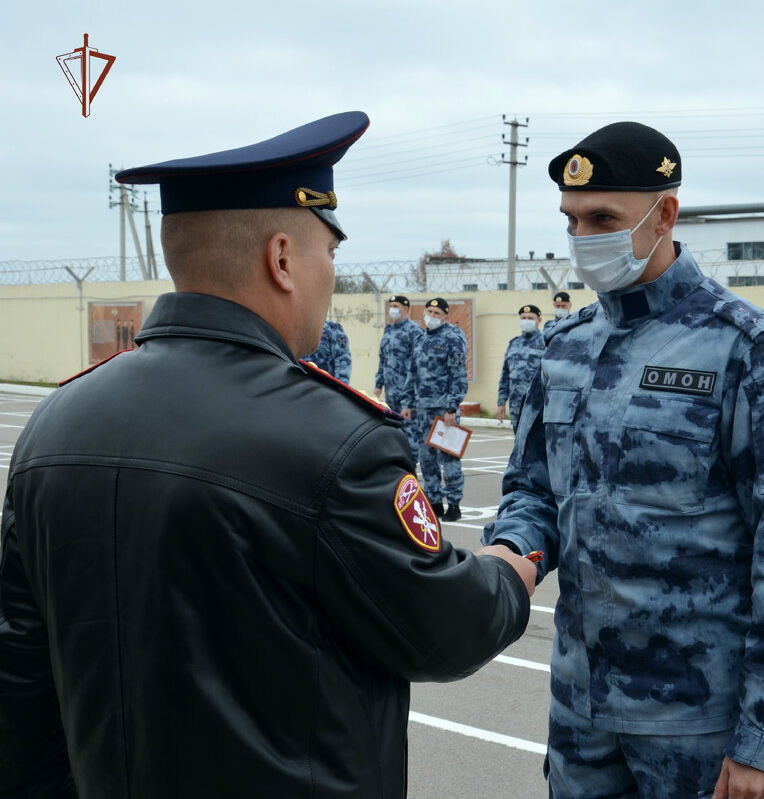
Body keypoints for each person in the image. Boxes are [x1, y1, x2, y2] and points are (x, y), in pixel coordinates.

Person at [0, 111, 535, 799]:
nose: (330, 278)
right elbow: (446, 628)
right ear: (282, 259)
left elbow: (20, 682)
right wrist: (507, 574)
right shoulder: (334, 441)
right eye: (330, 257)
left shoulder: (54, 426)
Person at [482, 121, 764, 799]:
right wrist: (514, 555)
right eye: (572, 220)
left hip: (694, 719)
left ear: (663, 213)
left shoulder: (745, 347)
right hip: (581, 708)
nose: (584, 237)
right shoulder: (563, 348)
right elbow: (531, 489)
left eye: (603, 217)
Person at [400, 298, 468, 522]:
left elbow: (458, 375)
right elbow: (412, 373)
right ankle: (434, 502)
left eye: (437, 312)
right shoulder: (420, 338)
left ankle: (454, 504)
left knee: (448, 458)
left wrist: (452, 406)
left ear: (445, 316)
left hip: (443, 409)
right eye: (429, 311)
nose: (431, 315)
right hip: (421, 408)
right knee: (426, 457)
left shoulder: (453, 338)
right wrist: (407, 402)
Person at [374, 294, 424, 454]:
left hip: (407, 393)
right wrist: (378, 384)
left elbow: (416, 364)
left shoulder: (415, 331)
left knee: (409, 433)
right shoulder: (388, 330)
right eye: (391, 306)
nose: (392, 309)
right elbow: (383, 359)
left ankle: (412, 470)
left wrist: (410, 392)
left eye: (396, 306)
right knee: (393, 431)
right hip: (391, 392)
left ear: (406, 309)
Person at [496, 304, 546, 431]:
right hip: (516, 407)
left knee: (537, 448)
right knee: (517, 446)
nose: (526, 321)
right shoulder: (514, 344)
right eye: (523, 318)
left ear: (539, 320)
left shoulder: (546, 342)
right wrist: (501, 402)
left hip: (538, 406)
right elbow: (505, 375)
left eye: (530, 318)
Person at [307, 317, 351, 382]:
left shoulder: (333, 330)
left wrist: (339, 389)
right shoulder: (297, 329)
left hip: (325, 386)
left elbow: (343, 362)